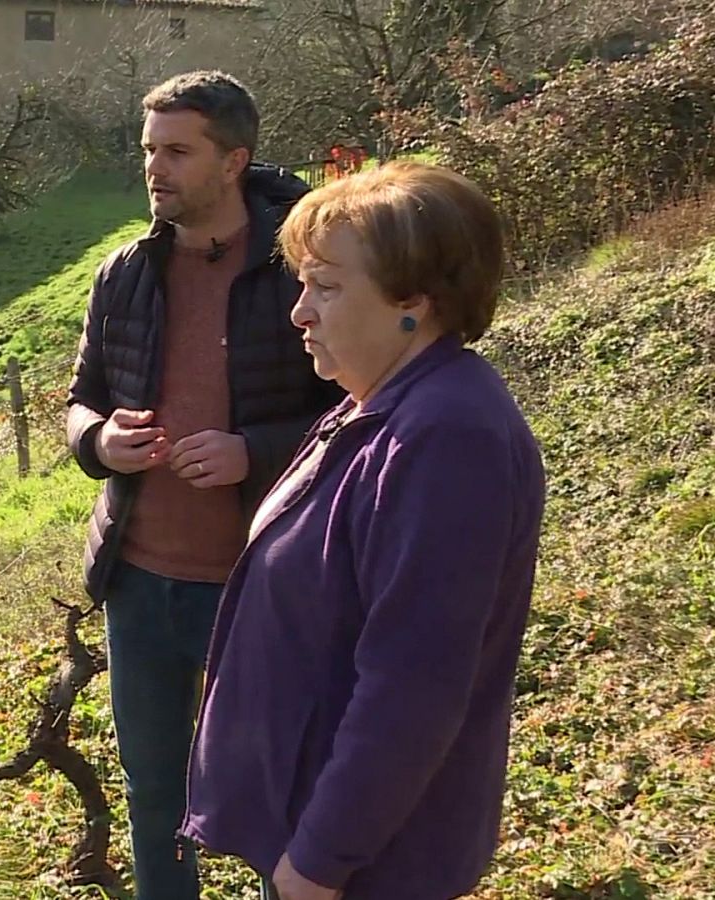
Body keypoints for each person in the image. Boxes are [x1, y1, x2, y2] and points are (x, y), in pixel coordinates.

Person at [180, 162, 546, 900]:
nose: (299, 313)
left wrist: (318, 862)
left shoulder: (445, 436)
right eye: (302, 284)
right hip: (323, 828)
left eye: (328, 286)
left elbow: (413, 686)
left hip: (366, 864)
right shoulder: (374, 403)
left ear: (414, 298)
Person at [65, 71, 345, 899]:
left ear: (234, 160)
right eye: (149, 149)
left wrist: (252, 451)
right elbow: (81, 399)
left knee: (275, 796)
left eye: (178, 151)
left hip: (260, 583)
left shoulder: (304, 269)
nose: (156, 169)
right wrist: (99, 441)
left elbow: (360, 412)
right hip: (140, 583)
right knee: (154, 793)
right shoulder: (124, 271)